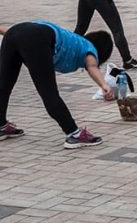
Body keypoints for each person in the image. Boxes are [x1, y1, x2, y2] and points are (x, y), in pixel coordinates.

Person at [0, 21, 116, 149]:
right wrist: (104, 85)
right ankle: (74, 134)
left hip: (13, 33)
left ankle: (1, 126)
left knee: (3, 86)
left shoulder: (75, 40)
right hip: (36, 39)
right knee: (49, 93)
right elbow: (92, 65)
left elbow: (20, 33)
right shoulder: (89, 48)